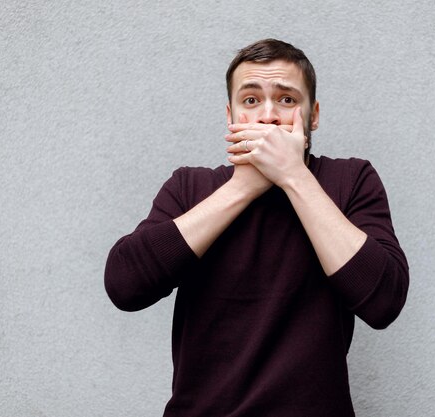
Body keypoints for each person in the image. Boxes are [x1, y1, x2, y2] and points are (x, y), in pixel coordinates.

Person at [105, 38, 409, 417]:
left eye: (286, 99)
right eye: (251, 101)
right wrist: (243, 187)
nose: (267, 116)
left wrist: (294, 177)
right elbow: (124, 285)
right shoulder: (190, 187)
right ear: (230, 116)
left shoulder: (350, 180)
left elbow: (384, 301)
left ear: (313, 115)